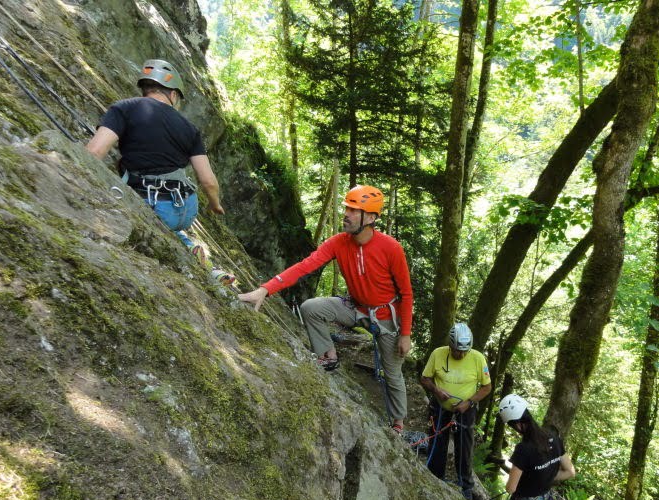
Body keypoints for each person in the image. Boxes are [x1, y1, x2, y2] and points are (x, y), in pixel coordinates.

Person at [238, 185, 413, 433]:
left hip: (386, 316)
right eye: (347, 208)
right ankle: (328, 357)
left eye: (355, 210)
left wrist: (405, 334)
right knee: (312, 308)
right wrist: (265, 289)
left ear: (371, 218)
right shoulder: (338, 243)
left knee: (392, 372)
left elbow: (406, 293)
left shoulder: (391, 248)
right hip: (356, 308)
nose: (347, 214)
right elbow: (304, 266)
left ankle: (398, 423)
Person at [85, 59, 233, 284]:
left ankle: (191, 253)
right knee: (168, 230)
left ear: (145, 88)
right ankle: (201, 260)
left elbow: (94, 152)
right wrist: (215, 205)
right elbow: (208, 181)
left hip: (153, 203)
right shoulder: (189, 128)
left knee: (144, 223)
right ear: (173, 94)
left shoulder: (124, 108)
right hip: (186, 207)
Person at [420, 322, 491, 500]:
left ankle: (465, 486)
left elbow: (486, 387)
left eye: (464, 351)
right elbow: (425, 378)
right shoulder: (438, 354)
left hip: (466, 408)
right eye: (456, 350)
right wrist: (436, 390)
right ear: (450, 345)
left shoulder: (477, 358)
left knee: (464, 446)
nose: (460, 355)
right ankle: (434, 476)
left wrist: (469, 402)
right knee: (438, 441)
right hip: (440, 406)